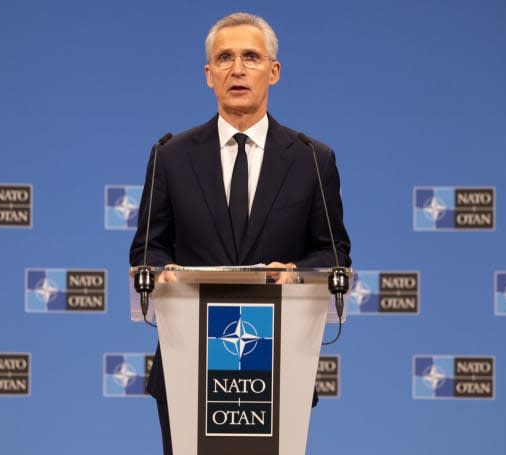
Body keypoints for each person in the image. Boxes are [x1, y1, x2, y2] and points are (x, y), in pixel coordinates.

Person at [129, 12, 351, 454]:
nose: (237, 69)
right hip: (188, 361)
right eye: (224, 58)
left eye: (250, 57)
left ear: (274, 71)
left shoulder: (312, 159)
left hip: (279, 361)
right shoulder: (170, 156)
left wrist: (298, 274)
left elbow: (333, 253)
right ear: (208, 75)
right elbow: (147, 248)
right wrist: (161, 272)